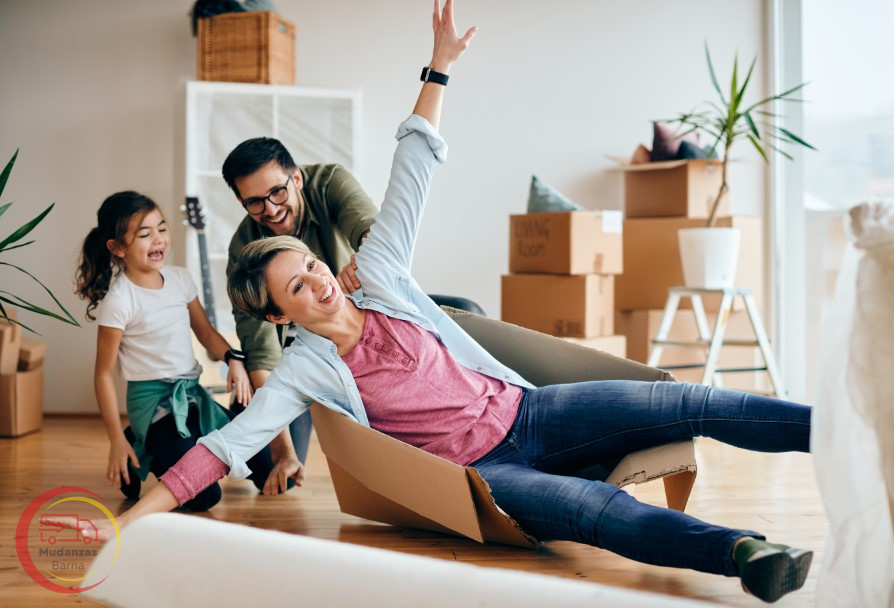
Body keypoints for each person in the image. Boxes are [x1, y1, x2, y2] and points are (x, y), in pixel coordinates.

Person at [60, 2, 813, 601]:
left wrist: (439, 67)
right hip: (487, 470)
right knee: (595, 514)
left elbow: (412, 164)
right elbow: (220, 449)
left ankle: (832, 428)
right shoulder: (308, 368)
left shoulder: (375, 269)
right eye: (298, 287)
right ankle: (747, 554)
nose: (319, 279)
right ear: (282, 314)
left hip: (530, 409)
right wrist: (126, 527)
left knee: (684, 402)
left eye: (312, 265)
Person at [74, 191, 290, 510]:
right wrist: (115, 442)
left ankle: (158, 445)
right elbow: (103, 375)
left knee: (268, 470)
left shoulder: (179, 279)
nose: (158, 239)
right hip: (153, 406)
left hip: (190, 397)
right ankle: (139, 440)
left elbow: (205, 332)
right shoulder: (120, 301)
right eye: (144, 234)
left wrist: (233, 359)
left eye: (161, 228)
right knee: (205, 497)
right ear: (117, 247)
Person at [221, 131, 377, 470]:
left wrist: (365, 259)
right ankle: (231, 417)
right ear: (241, 202)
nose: (272, 210)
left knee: (467, 311)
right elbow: (262, 349)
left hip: (365, 324)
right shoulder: (242, 251)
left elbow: (374, 235)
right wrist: (283, 453)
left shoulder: (331, 182)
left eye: (278, 192)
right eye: (255, 202)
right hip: (303, 354)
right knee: (276, 471)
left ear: (296, 177)